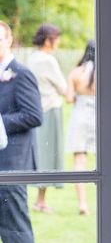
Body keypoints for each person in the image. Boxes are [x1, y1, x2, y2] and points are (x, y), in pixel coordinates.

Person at [0, 20, 43, 243]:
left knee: (15, 231)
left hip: (13, 165)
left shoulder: (22, 74)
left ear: (9, 40)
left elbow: (34, 115)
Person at [28, 23, 67, 213]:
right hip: (50, 109)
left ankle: (40, 200)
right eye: (56, 38)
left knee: (41, 154)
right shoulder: (47, 60)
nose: (58, 42)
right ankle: (40, 201)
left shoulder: (32, 58)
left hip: (36, 111)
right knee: (47, 154)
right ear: (48, 40)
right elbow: (63, 88)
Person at [66, 40, 96, 215]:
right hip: (99, 118)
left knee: (79, 161)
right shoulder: (105, 73)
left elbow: (69, 98)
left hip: (80, 116)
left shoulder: (76, 73)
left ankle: (83, 204)